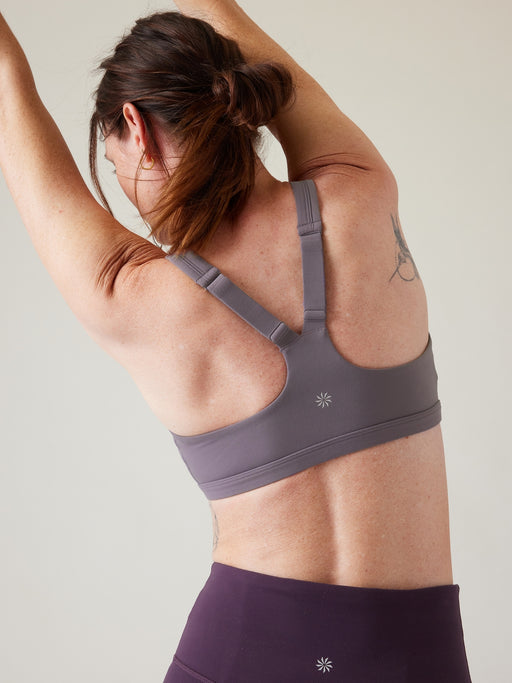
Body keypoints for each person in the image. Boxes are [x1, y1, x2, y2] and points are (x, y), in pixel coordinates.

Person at [0, 2, 472, 681]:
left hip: (240, 655)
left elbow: (6, 83)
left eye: (114, 159)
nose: (129, 194)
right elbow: (218, 10)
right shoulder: (362, 194)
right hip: (418, 657)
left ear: (136, 126)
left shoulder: (131, 296)